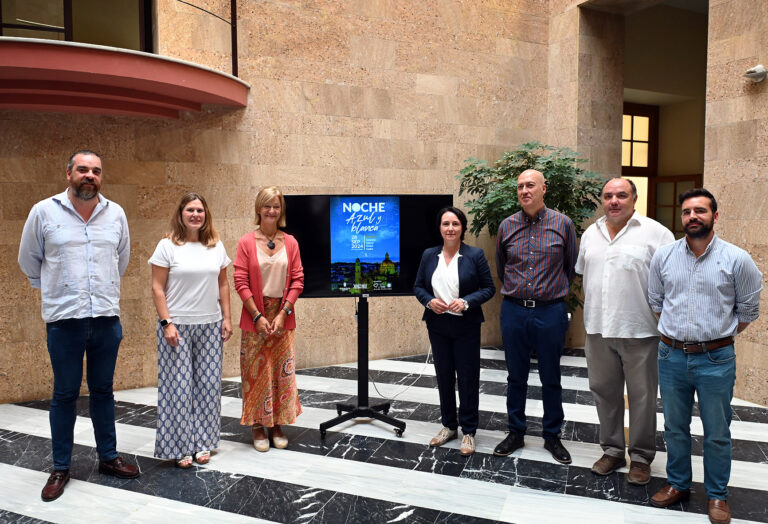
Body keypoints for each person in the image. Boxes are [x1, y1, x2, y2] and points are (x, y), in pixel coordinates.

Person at [18, 150, 139, 502]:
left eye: (96, 171)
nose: (90, 175)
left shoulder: (115, 213)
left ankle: (109, 458)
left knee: (104, 392)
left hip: (105, 319)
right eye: (83, 169)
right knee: (64, 394)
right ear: (68, 172)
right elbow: (29, 259)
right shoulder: (44, 211)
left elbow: (122, 258)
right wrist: (58, 290)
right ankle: (60, 467)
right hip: (64, 321)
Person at [648, 188, 761, 524]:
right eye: (687, 212)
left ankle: (717, 495)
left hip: (716, 359)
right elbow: (657, 302)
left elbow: (748, 310)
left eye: (700, 210)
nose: (692, 216)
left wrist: (714, 338)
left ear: (715, 215)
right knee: (674, 427)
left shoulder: (737, 259)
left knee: (716, 431)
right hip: (671, 356)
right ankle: (678, 484)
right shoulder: (664, 256)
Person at [575, 178, 674, 485]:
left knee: (643, 397)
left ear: (634, 198)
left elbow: (672, 281)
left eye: (621, 195)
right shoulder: (591, 233)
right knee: (604, 392)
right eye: (608, 196)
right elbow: (583, 274)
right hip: (598, 330)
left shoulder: (656, 233)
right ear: (602, 201)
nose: (614, 200)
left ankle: (642, 457)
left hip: (640, 331)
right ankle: (613, 450)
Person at [493, 168, 576, 464]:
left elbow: (569, 266)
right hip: (514, 310)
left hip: (550, 311)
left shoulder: (563, 224)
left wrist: (549, 294)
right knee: (515, 376)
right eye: (520, 187)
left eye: (530, 185)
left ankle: (552, 435)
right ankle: (515, 431)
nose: (524, 191)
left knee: (550, 376)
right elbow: (502, 266)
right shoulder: (506, 226)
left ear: (544, 189)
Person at [149, 192, 233, 468]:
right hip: (178, 327)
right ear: (181, 214)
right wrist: (166, 323)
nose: (196, 214)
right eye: (190, 210)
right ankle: (181, 446)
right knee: (179, 388)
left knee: (209, 386)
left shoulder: (215, 246)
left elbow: (223, 285)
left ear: (205, 214)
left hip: (210, 325)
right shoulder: (167, 246)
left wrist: (227, 318)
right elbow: (157, 288)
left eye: (200, 210)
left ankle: (204, 442)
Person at [413, 207, 495, 456]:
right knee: (444, 376)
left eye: (455, 224)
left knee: (468, 377)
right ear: (440, 227)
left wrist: (467, 301)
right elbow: (418, 286)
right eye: (446, 224)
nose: (450, 228)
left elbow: (489, 288)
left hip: (466, 325)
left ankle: (469, 431)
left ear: (462, 228)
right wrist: (429, 300)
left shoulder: (475, 255)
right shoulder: (429, 255)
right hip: (438, 325)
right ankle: (449, 426)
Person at [234, 186, 304, 451]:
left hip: (283, 316)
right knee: (256, 372)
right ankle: (257, 425)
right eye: (267, 206)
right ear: (258, 209)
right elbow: (240, 281)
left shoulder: (292, 242)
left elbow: (298, 279)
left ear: (281, 210)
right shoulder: (246, 242)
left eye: (276, 206)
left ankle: (276, 424)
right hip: (255, 316)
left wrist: (284, 312)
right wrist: (258, 316)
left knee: (281, 372)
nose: (271, 211)